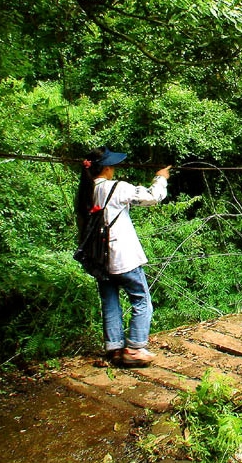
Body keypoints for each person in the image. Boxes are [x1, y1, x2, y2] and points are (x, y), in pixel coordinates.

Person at [75, 146, 172, 367]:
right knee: (141, 300)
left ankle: (115, 348)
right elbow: (153, 197)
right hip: (123, 257)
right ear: (107, 168)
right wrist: (161, 178)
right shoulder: (117, 188)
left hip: (99, 260)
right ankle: (135, 348)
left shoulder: (85, 192)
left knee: (109, 302)